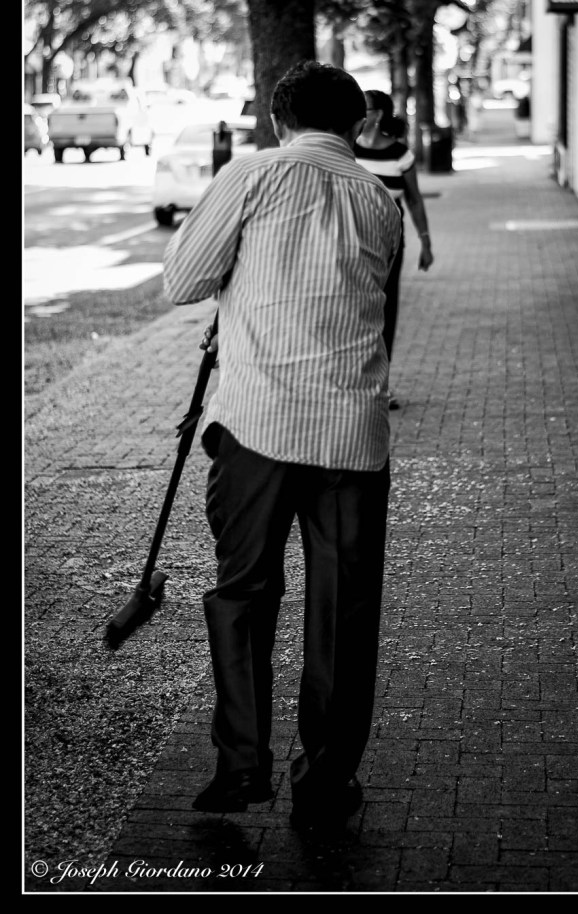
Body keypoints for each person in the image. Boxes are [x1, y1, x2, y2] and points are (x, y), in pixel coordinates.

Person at [162, 61, 402, 832]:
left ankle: (239, 770)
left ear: (276, 118)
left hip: (259, 426)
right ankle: (326, 779)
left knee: (242, 595)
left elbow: (184, 281)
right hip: (352, 437)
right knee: (345, 610)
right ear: (358, 125)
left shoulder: (252, 175)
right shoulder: (380, 199)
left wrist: (239, 283)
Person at [354, 89, 434, 409]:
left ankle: (380, 386)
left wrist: (426, 242)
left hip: (388, 246)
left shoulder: (401, 154)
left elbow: (414, 199)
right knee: (355, 310)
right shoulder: (348, 149)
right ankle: (354, 382)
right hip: (351, 242)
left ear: (377, 115)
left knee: (385, 312)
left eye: (365, 107)